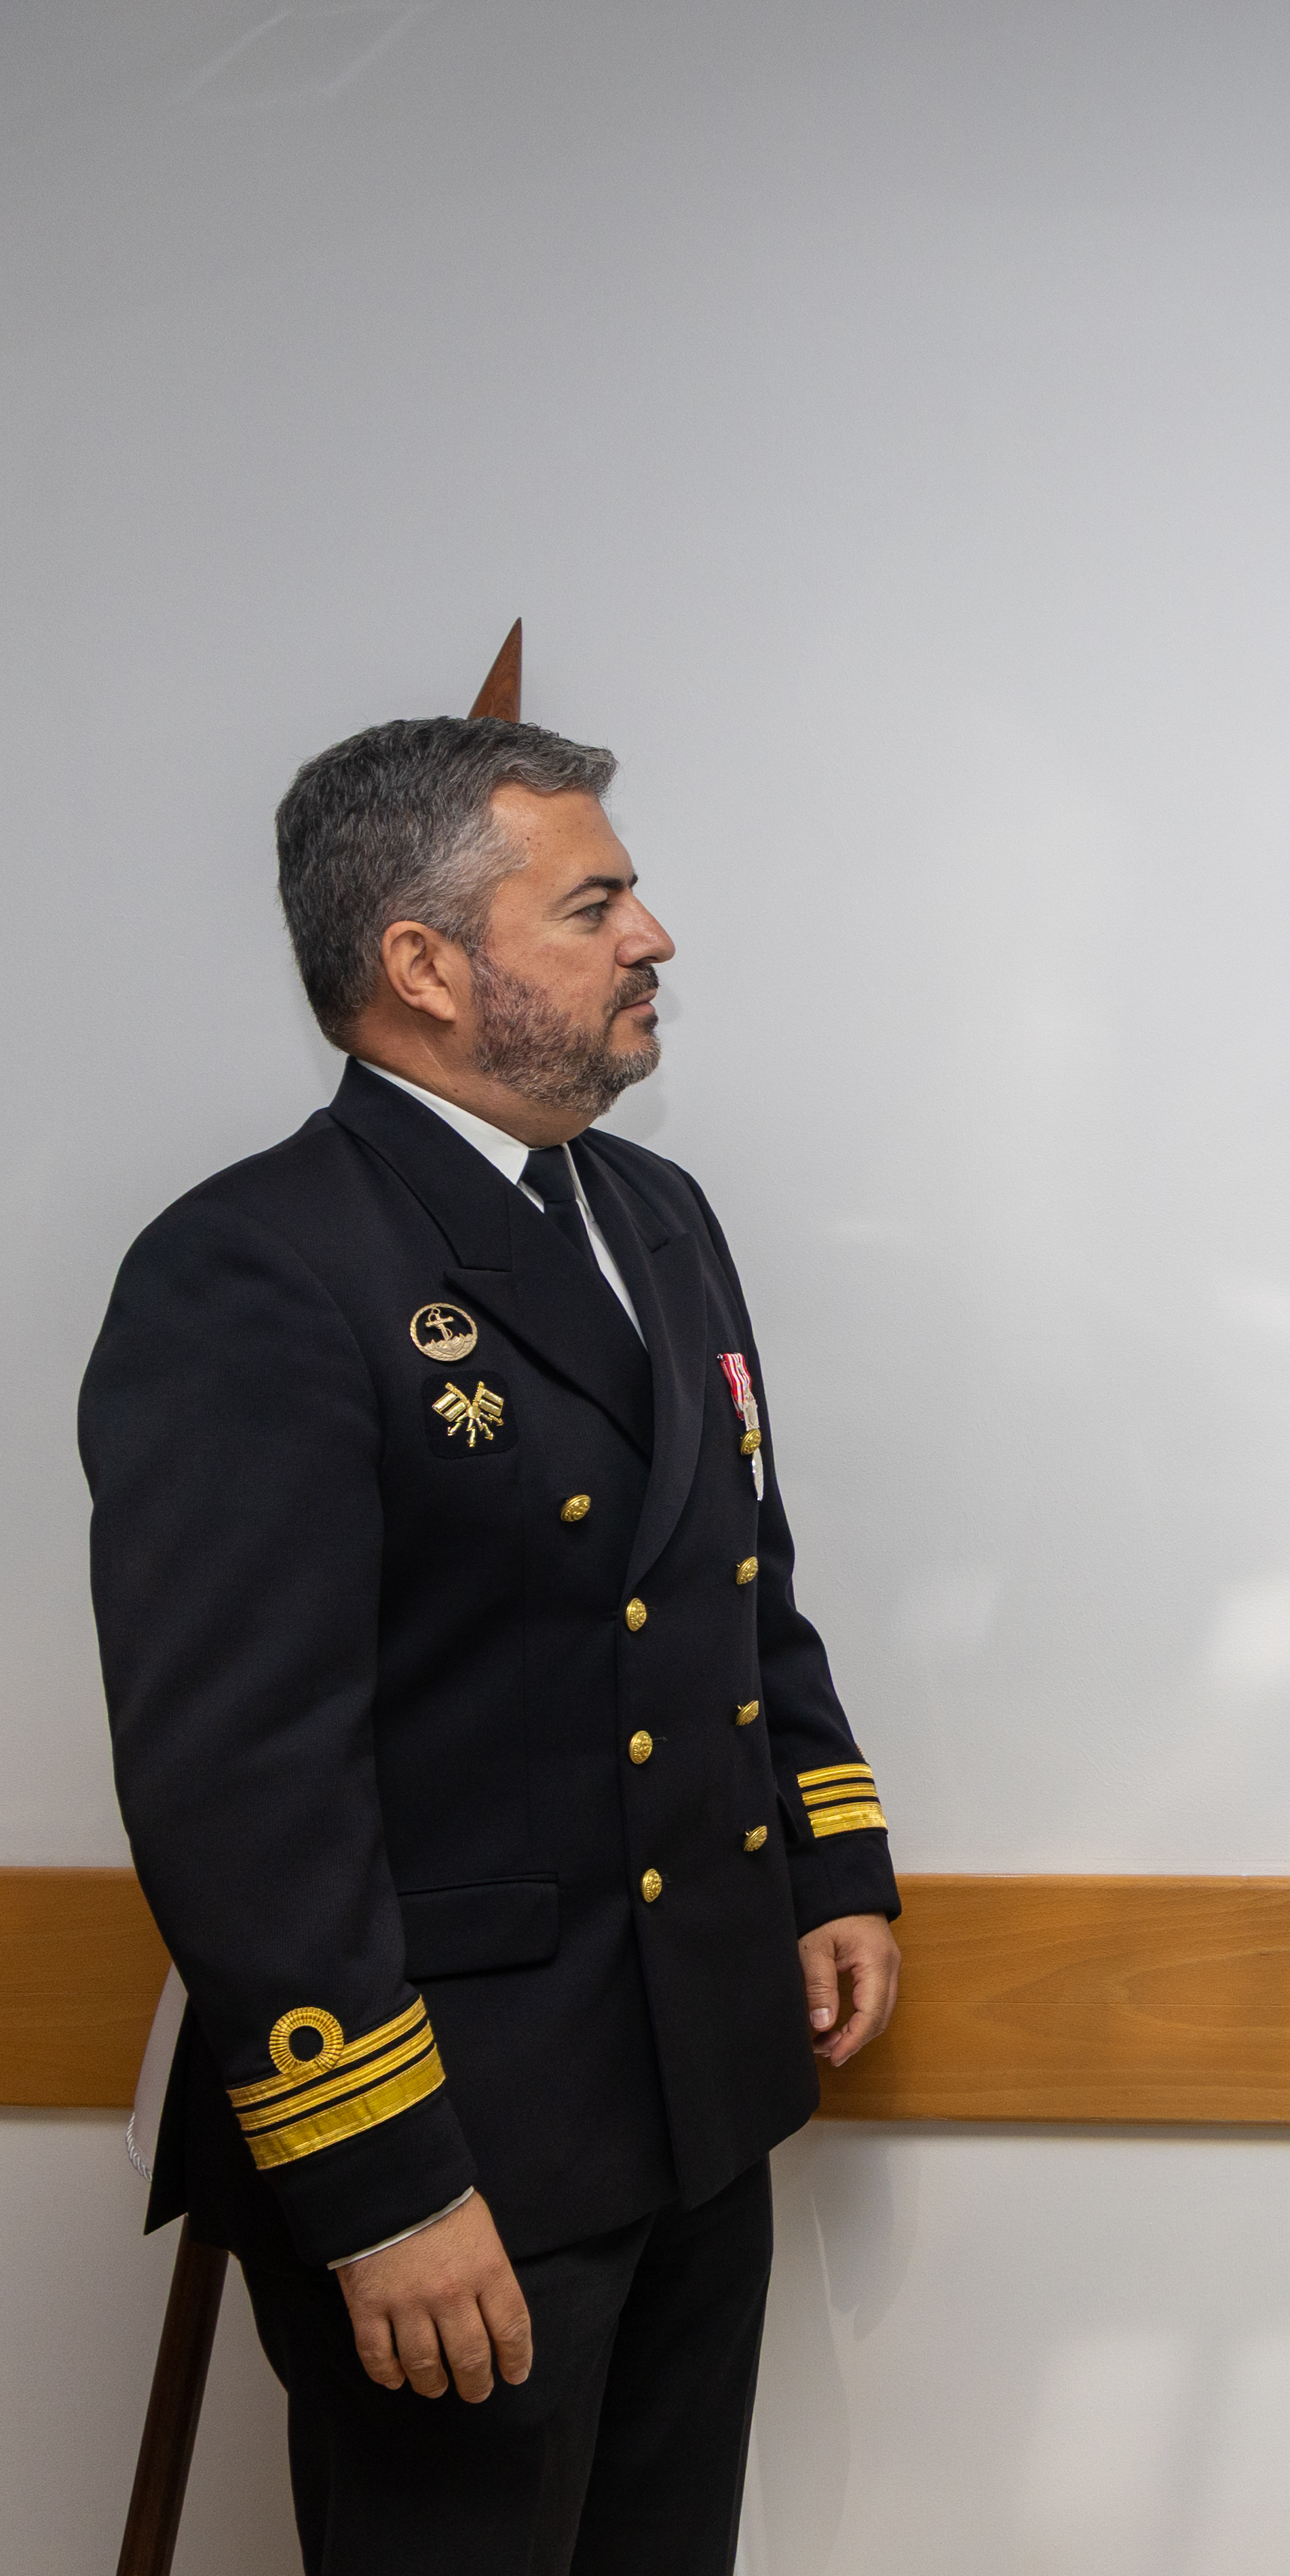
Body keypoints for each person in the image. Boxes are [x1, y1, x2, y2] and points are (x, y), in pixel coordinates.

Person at [81, 711, 903, 2572]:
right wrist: (379, 2190)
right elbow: (242, 1785)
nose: (654, 936)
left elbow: (737, 1583)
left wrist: (831, 1857)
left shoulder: (654, 1215)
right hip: (462, 2144)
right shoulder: (260, 1267)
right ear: (428, 967)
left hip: (697, 2082)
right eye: (595, 900)